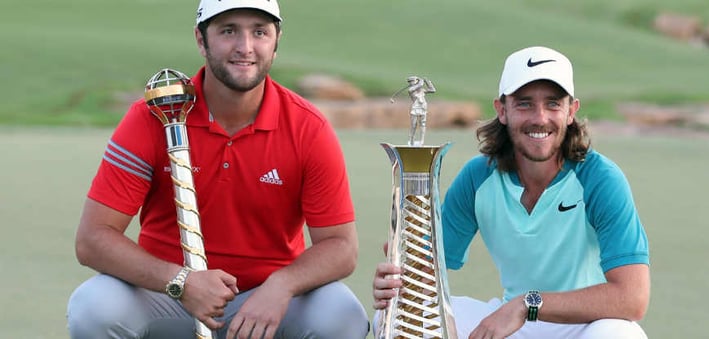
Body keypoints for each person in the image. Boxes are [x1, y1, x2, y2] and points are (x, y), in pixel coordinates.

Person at [66, 0, 369, 338]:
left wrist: (282, 285)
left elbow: (341, 247)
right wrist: (181, 281)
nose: (245, 47)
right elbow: (93, 239)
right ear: (201, 40)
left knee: (341, 315)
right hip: (169, 296)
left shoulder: (308, 128)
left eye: (260, 32)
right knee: (94, 308)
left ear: (276, 41)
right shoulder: (153, 115)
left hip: (268, 301)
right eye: (228, 31)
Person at [372, 46, 650, 338]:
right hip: (514, 327)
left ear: (571, 111)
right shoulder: (479, 177)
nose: (540, 118)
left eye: (553, 104)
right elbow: (424, 269)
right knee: (399, 315)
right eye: (525, 104)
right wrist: (397, 281)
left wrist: (526, 305)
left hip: (585, 326)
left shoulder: (600, 178)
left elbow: (632, 297)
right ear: (502, 110)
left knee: (620, 335)